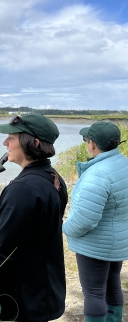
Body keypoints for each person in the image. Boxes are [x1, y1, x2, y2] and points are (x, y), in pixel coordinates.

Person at [0, 113, 68, 322]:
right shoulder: (54, 179)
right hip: (41, 291)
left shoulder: (23, 190)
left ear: (34, 143)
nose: (5, 142)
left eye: (11, 138)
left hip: (20, 299)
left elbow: (3, 251)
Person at [63, 121, 128, 322]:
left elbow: (84, 221)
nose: (86, 144)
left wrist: (64, 227)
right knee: (112, 283)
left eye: (86, 140)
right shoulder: (123, 163)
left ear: (92, 144)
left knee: (93, 292)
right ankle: (114, 319)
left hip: (96, 245)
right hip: (117, 241)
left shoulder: (98, 174)